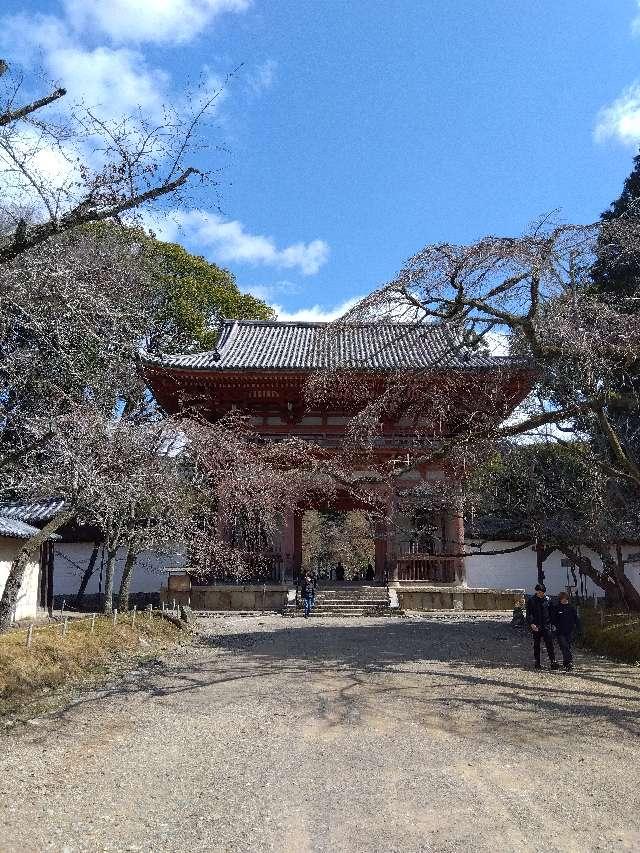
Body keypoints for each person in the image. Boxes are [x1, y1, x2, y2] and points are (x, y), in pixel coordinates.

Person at [526, 583, 559, 670]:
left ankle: (553, 661)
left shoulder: (548, 600)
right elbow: (529, 614)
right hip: (536, 626)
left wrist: (554, 624)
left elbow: (552, 613)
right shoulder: (531, 600)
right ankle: (537, 662)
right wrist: (531, 624)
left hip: (546, 625)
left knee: (549, 644)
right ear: (536, 591)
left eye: (542, 592)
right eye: (539, 592)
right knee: (537, 645)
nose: (541, 594)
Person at [553, 591, 581, 670]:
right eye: (562, 599)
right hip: (560, 632)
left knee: (567, 647)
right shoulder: (557, 608)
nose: (564, 600)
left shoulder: (571, 608)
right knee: (564, 646)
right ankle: (569, 662)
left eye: (565, 599)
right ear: (560, 599)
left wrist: (579, 628)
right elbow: (553, 619)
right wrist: (555, 628)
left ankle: (566, 663)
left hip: (570, 631)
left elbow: (576, 619)